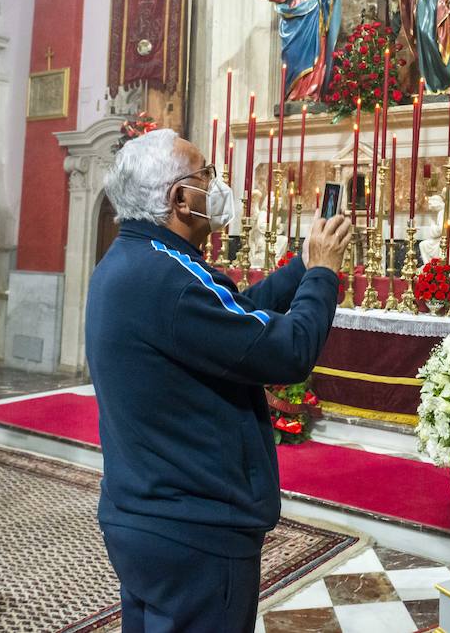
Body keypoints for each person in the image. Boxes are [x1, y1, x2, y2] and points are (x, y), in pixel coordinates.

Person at [87, 129, 352, 632]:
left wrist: (302, 263)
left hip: (144, 513)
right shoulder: (171, 280)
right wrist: (323, 275)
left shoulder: (134, 261)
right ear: (180, 199)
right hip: (195, 531)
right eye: (206, 173)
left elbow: (240, 315)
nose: (216, 183)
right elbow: (289, 352)